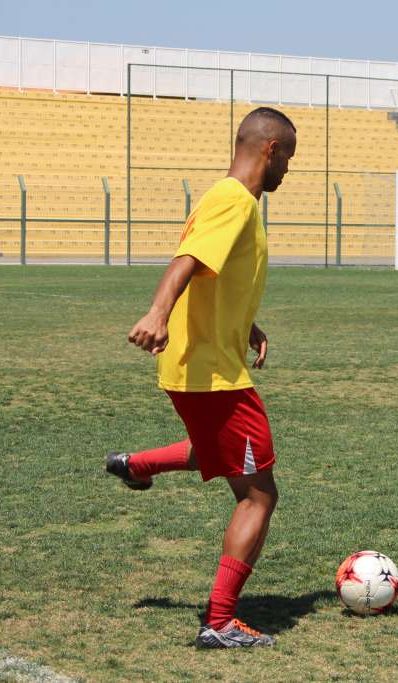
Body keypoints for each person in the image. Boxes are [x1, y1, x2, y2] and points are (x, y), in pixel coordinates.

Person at [104, 107, 296, 648]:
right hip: (213, 374)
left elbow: (215, 274)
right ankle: (219, 621)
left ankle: (136, 465)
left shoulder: (232, 201)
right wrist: (157, 313)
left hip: (199, 365)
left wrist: (247, 324)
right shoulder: (234, 200)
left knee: (220, 450)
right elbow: (186, 260)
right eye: (289, 160)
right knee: (258, 494)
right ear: (270, 149)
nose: (288, 172)